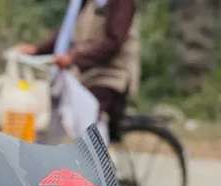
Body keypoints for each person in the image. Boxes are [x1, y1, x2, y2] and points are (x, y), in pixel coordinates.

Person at [19, 0, 140, 140]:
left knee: (90, 123)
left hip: (111, 76)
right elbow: (67, 30)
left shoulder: (121, 3)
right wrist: (37, 50)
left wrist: (73, 57)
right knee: (51, 113)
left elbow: (113, 43)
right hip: (82, 74)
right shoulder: (82, 3)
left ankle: (96, 152)